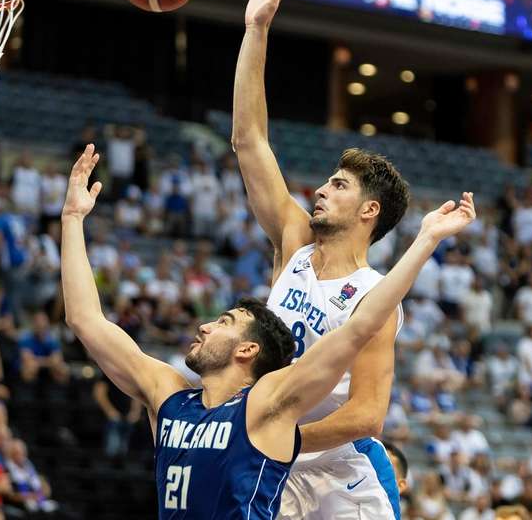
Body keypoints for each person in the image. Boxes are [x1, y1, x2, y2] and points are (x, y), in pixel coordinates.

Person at [61, 143, 475, 519]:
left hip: (336, 475)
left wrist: (426, 240)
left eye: (224, 322)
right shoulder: (169, 397)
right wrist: (73, 218)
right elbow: (85, 319)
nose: (204, 325)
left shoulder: (264, 415)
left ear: (247, 350)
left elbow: (359, 329)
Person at [233, 0, 414, 519]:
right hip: (274, 456)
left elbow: (366, 414)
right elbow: (248, 140)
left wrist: (280, 438)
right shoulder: (293, 241)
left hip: (338, 472)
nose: (321, 191)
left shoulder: (375, 295)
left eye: (338, 186)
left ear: (368, 211)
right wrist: (256, 30)